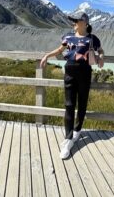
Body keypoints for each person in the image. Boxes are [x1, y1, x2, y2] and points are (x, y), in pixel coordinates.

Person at [39, 12, 104, 159]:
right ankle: (68, 140)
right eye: (73, 20)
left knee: (82, 104)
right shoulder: (67, 36)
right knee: (69, 104)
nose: (73, 22)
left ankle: (77, 130)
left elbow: (100, 50)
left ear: (85, 23)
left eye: (76, 20)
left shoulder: (92, 39)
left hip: (85, 72)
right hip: (69, 72)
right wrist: (46, 56)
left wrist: (101, 57)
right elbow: (60, 50)